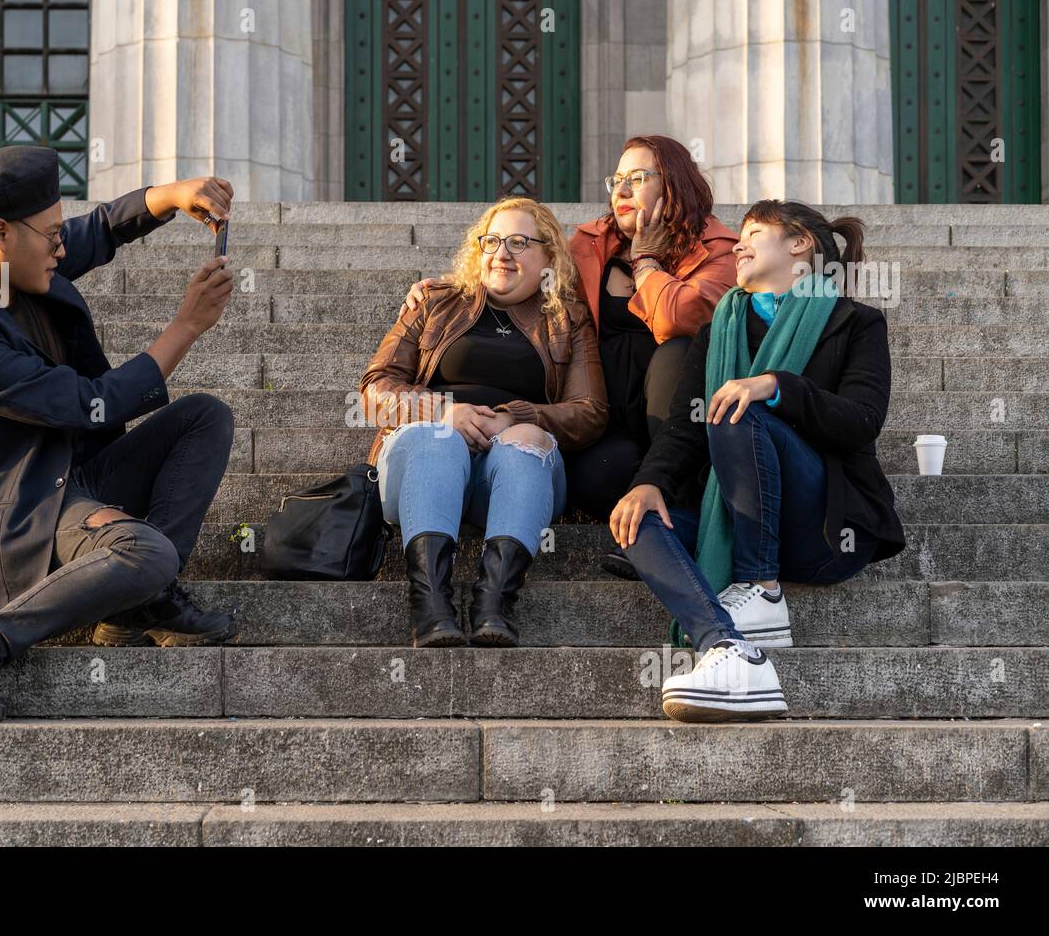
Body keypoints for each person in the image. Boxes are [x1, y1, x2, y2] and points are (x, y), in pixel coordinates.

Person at [0, 145, 240, 723]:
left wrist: (176, 195)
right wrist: (187, 326)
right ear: (1, 234)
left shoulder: (9, 262)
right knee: (147, 551)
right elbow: (90, 403)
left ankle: (135, 605)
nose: (61, 246)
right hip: (22, 514)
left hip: (74, 477)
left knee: (204, 416)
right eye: (51, 234)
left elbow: (100, 229)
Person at [608, 200, 907, 723]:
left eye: (753, 232)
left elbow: (861, 420)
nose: (738, 244)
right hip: (738, 507)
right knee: (637, 524)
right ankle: (728, 647)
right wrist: (650, 481)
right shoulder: (719, 329)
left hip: (822, 522)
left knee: (737, 409)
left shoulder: (855, 323)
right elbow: (685, 426)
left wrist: (776, 387)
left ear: (799, 245)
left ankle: (761, 587)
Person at [399, 136, 738, 526]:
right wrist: (450, 290)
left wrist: (646, 260)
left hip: (676, 415)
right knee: (597, 479)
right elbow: (523, 274)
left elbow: (677, 318)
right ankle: (653, 525)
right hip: (605, 413)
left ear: (674, 182)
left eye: (639, 178)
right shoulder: (589, 244)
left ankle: (679, 509)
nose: (622, 191)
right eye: (617, 180)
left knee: (675, 353)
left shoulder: (717, 249)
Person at [360, 197, 607, 647]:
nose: (501, 253)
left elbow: (589, 411)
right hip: (422, 471)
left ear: (549, 256)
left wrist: (517, 417)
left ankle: (494, 602)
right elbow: (375, 391)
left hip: (509, 477)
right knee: (440, 439)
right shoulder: (435, 302)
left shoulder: (566, 319)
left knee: (526, 441)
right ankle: (430, 606)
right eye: (491, 241)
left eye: (518, 242)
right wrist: (442, 411)